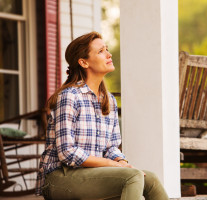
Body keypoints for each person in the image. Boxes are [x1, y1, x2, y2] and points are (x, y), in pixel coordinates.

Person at [36, 31, 169, 200]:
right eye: (101, 51)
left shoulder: (109, 100)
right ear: (84, 62)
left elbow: (111, 147)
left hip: (91, 174)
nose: (108, 54)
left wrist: (121, 162)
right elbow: (67, 153)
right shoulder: (69, 96)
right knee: (132, 176)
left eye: (106, 49)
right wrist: (112, 164)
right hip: (59, 177)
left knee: (151, 180)